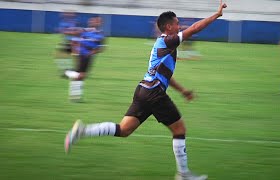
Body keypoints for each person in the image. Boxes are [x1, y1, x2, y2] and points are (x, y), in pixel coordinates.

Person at [64, 1, 227, 179]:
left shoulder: (166, 46)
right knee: (179, 129)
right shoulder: (167, 41)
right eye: (177, 23)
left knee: (124, 130)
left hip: (144, 90)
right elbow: (195, 28)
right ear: (168, 26)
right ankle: (183, 174)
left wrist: (183, 91)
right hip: (154, 94)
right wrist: (216, 14)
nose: (180, 26)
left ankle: (83, 131)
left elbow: (165, 75)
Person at [64, 16, 105, 101]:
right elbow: (73, 40)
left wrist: (92, 53)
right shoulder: (84, 31)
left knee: (81, 76)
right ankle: (67, 73)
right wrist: (75, 52)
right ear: (91, 22)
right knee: (81, 75)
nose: (97, 23)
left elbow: (101, 48)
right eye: (95, 21)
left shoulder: (100, 34)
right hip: (81, 55)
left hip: (89, 57)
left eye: (99, 21)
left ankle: (75, 97)